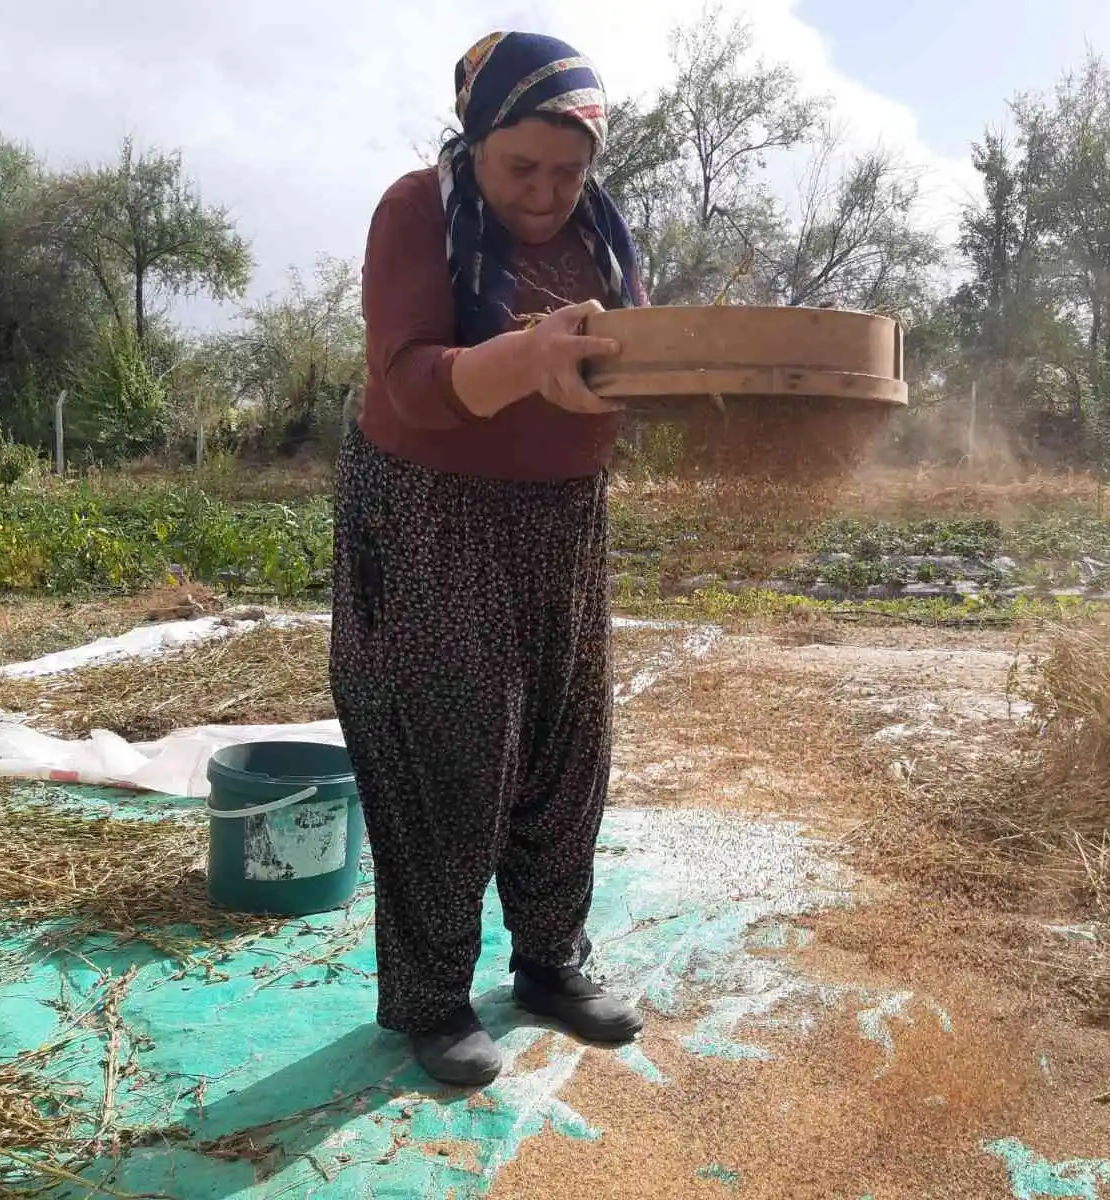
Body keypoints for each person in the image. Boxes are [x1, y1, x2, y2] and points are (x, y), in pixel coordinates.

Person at [330, 30, 650, 1088]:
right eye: (523, 167)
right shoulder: (415, 211)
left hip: (562, 519)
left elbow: (633, 365)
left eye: (571, 170)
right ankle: (431, 1002)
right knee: (449, 753)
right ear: (475, 143)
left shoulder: (604, 237)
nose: (548, 191)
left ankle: (551, 963)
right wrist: (526, 356)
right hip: (431, 511)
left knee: (567, 744)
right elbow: (410, 381)